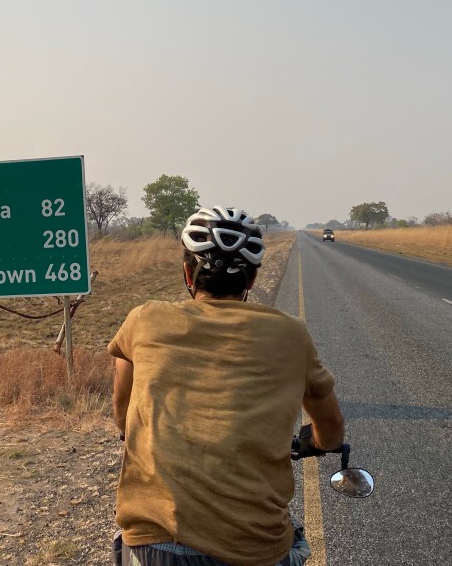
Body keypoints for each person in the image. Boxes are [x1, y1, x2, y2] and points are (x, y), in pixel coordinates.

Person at [108, 206, 345, 566]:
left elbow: (121, 413)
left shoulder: (144, 319)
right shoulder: (290, 333)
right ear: (251, 281)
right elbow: (332, 431)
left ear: (188, 272)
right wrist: (316, 442)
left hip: (154, 542)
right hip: (254, 548)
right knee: (293, 542)